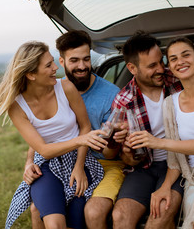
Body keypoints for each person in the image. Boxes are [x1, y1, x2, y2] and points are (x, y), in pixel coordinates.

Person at [110, 31, 194, 229]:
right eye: (153, 65)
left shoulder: (192, 83)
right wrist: (126, 148)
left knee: (172, 216)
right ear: (132, 68)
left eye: (161, 62)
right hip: (155, 168)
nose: (161, 69)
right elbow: (126, 158)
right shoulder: (131, 101)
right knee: (121, 217)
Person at [0, 41, 108, 229]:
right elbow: (44, 150)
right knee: (54, 224)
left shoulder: (66, 88)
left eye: (53, 62)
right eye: (48, 65)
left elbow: (85, 126)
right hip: (46, 165)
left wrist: (79, 167)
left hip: (79, 160)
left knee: (75, 221)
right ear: (31, 74)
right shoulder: (17, 107)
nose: (56, 67)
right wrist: (29, 162)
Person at [23, 30, 128, 229]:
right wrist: (29, 162)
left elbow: (111, 153)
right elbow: (42, 133)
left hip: (106, 164)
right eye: (74, 60)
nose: (82, 66)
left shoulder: (112, 96)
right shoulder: (53, 88)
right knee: (37, 209)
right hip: (63, 161)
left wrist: (113, 139)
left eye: (86, 59)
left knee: (89, 210)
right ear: (61, 62)